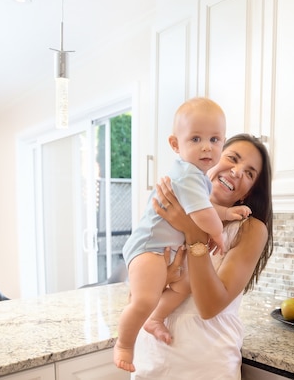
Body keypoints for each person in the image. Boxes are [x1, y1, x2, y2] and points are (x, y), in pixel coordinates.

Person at [114, 99, 252, 372]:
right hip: (149, 248)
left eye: (214, 139)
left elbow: (203, 208)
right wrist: (217, 234)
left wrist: (223, 215)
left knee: (183, 283)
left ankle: (155, 318)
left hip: (163, 253)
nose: (206, 146)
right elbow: (201, 214)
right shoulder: (188, 174)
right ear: (176, 145)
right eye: (196, 138)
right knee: (142, 299)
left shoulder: (196, 178)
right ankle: (123, 344)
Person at [128, 133, 273, 379]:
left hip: (206, 367)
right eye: (232, 158)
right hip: (150, 362)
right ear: (211, 159)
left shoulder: (250, 229)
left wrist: (191, 229)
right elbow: (136, 294)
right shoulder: (172, 204)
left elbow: (209, 306)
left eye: (250, 173)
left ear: (249, 192)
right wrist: (167, 277)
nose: (237, 171)